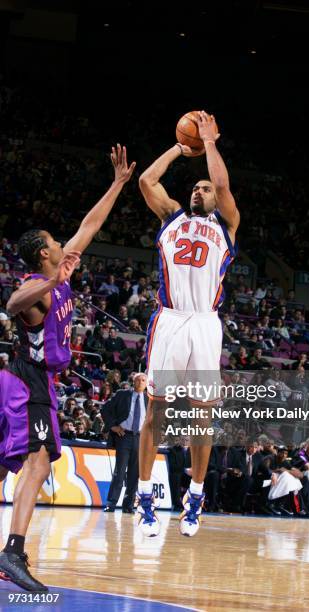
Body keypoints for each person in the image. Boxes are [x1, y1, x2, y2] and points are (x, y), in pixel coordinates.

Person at [0, 144, 136, 591]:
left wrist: (117, 184)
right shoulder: (38, 286)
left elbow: (89, 226)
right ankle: (13, 554)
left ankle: (10, 553)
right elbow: (11, 302)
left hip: (25, 381)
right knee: (37, 464)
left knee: (8, 467)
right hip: (26, 381)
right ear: (43, 254)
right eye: (56, 244)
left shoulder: (62, 272)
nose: (64, 244)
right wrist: (48, 281)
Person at [137, 111, 240, 537]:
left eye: (204, 188)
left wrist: (210, 143)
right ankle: (144, 498)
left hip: (204, 323)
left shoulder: (227, 224)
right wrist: (181, 149)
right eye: (194, 187)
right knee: (156, 411)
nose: (199, 190)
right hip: (171, 319)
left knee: (202, 417)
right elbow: (146, 181)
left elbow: (222, 185)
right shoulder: (172, 217)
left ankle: (195, 497)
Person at [101, 373, 147, 513]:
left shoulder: (149, 400)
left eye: (143, 380)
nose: (140, 382)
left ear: (147, 384)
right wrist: (113, 426)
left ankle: (128, 505)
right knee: (119, 472)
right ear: (133, 382)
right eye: (137, 380)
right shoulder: (122, 395)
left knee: (135, 474)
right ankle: (111, 503)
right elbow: (105, 409)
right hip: (124, 436)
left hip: (140, 438)